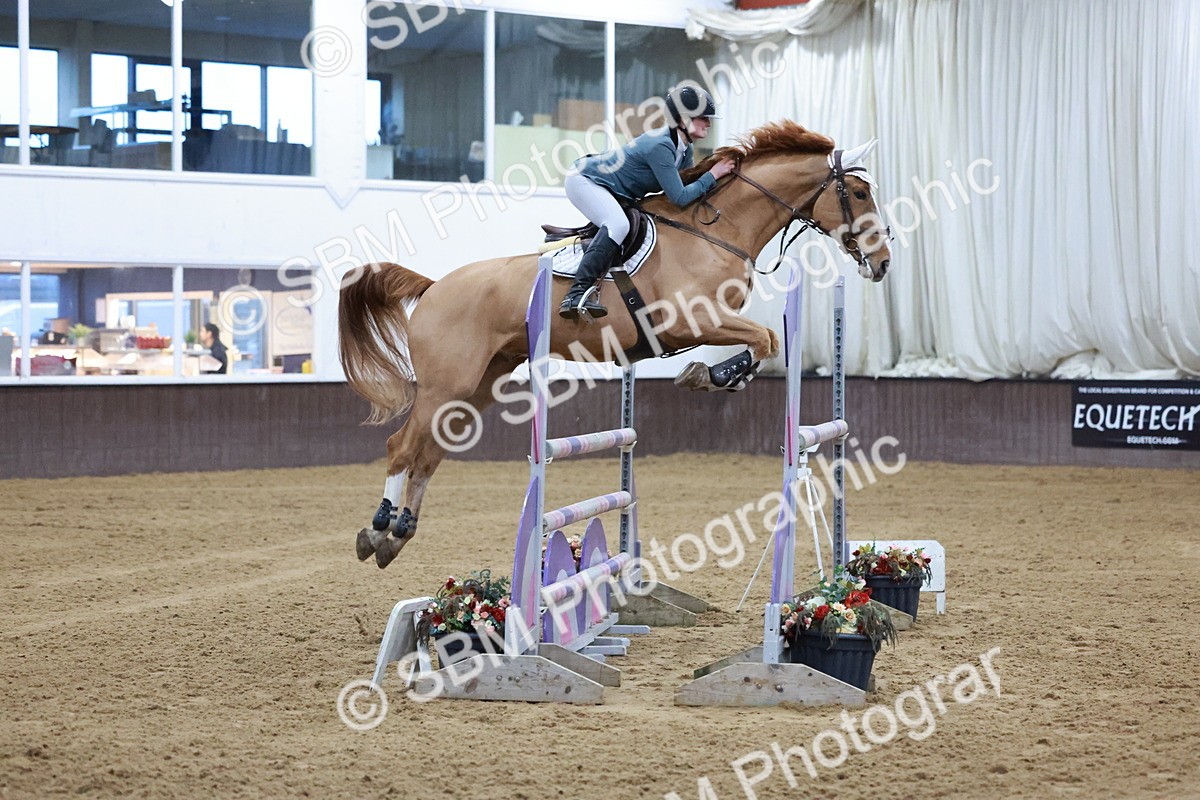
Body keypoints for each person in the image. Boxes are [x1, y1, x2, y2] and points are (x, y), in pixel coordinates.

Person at [559, 85, 738, 320]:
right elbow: (680, 196)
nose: (709, 123)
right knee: (618, 225)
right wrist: (713, 174)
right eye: (703, 117)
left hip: (613, 189)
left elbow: (684, 196)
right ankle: (575, 293)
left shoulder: (684, 149)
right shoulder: (661, 146)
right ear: (683, 119)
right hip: (585, 180)